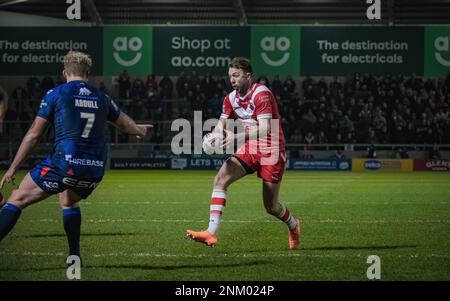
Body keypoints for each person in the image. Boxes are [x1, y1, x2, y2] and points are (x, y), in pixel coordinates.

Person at [0, 51, 152, 263]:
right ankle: (74, 256)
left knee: (17, 198)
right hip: (94, 168)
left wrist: (13, 167)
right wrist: (139, 131)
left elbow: (34, 135)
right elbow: (126, 124)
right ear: (87, 74)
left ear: (64, 72)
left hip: (65, 163)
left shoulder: (56, 93)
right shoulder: (102, 97)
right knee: (68, 200)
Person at [186, 57, 300, 249]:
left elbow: (265, 129)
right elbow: (220, 126)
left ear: (248, 76)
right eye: (230, 76)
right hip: (250, 145)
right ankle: (210, 233)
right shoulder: (230, 98)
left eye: (236, 75)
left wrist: (236, 138)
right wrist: (212, 140)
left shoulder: (261, 94)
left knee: (271, 207)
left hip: (271, 147)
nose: (232, 79)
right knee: (220, 178)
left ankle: (294, 225)